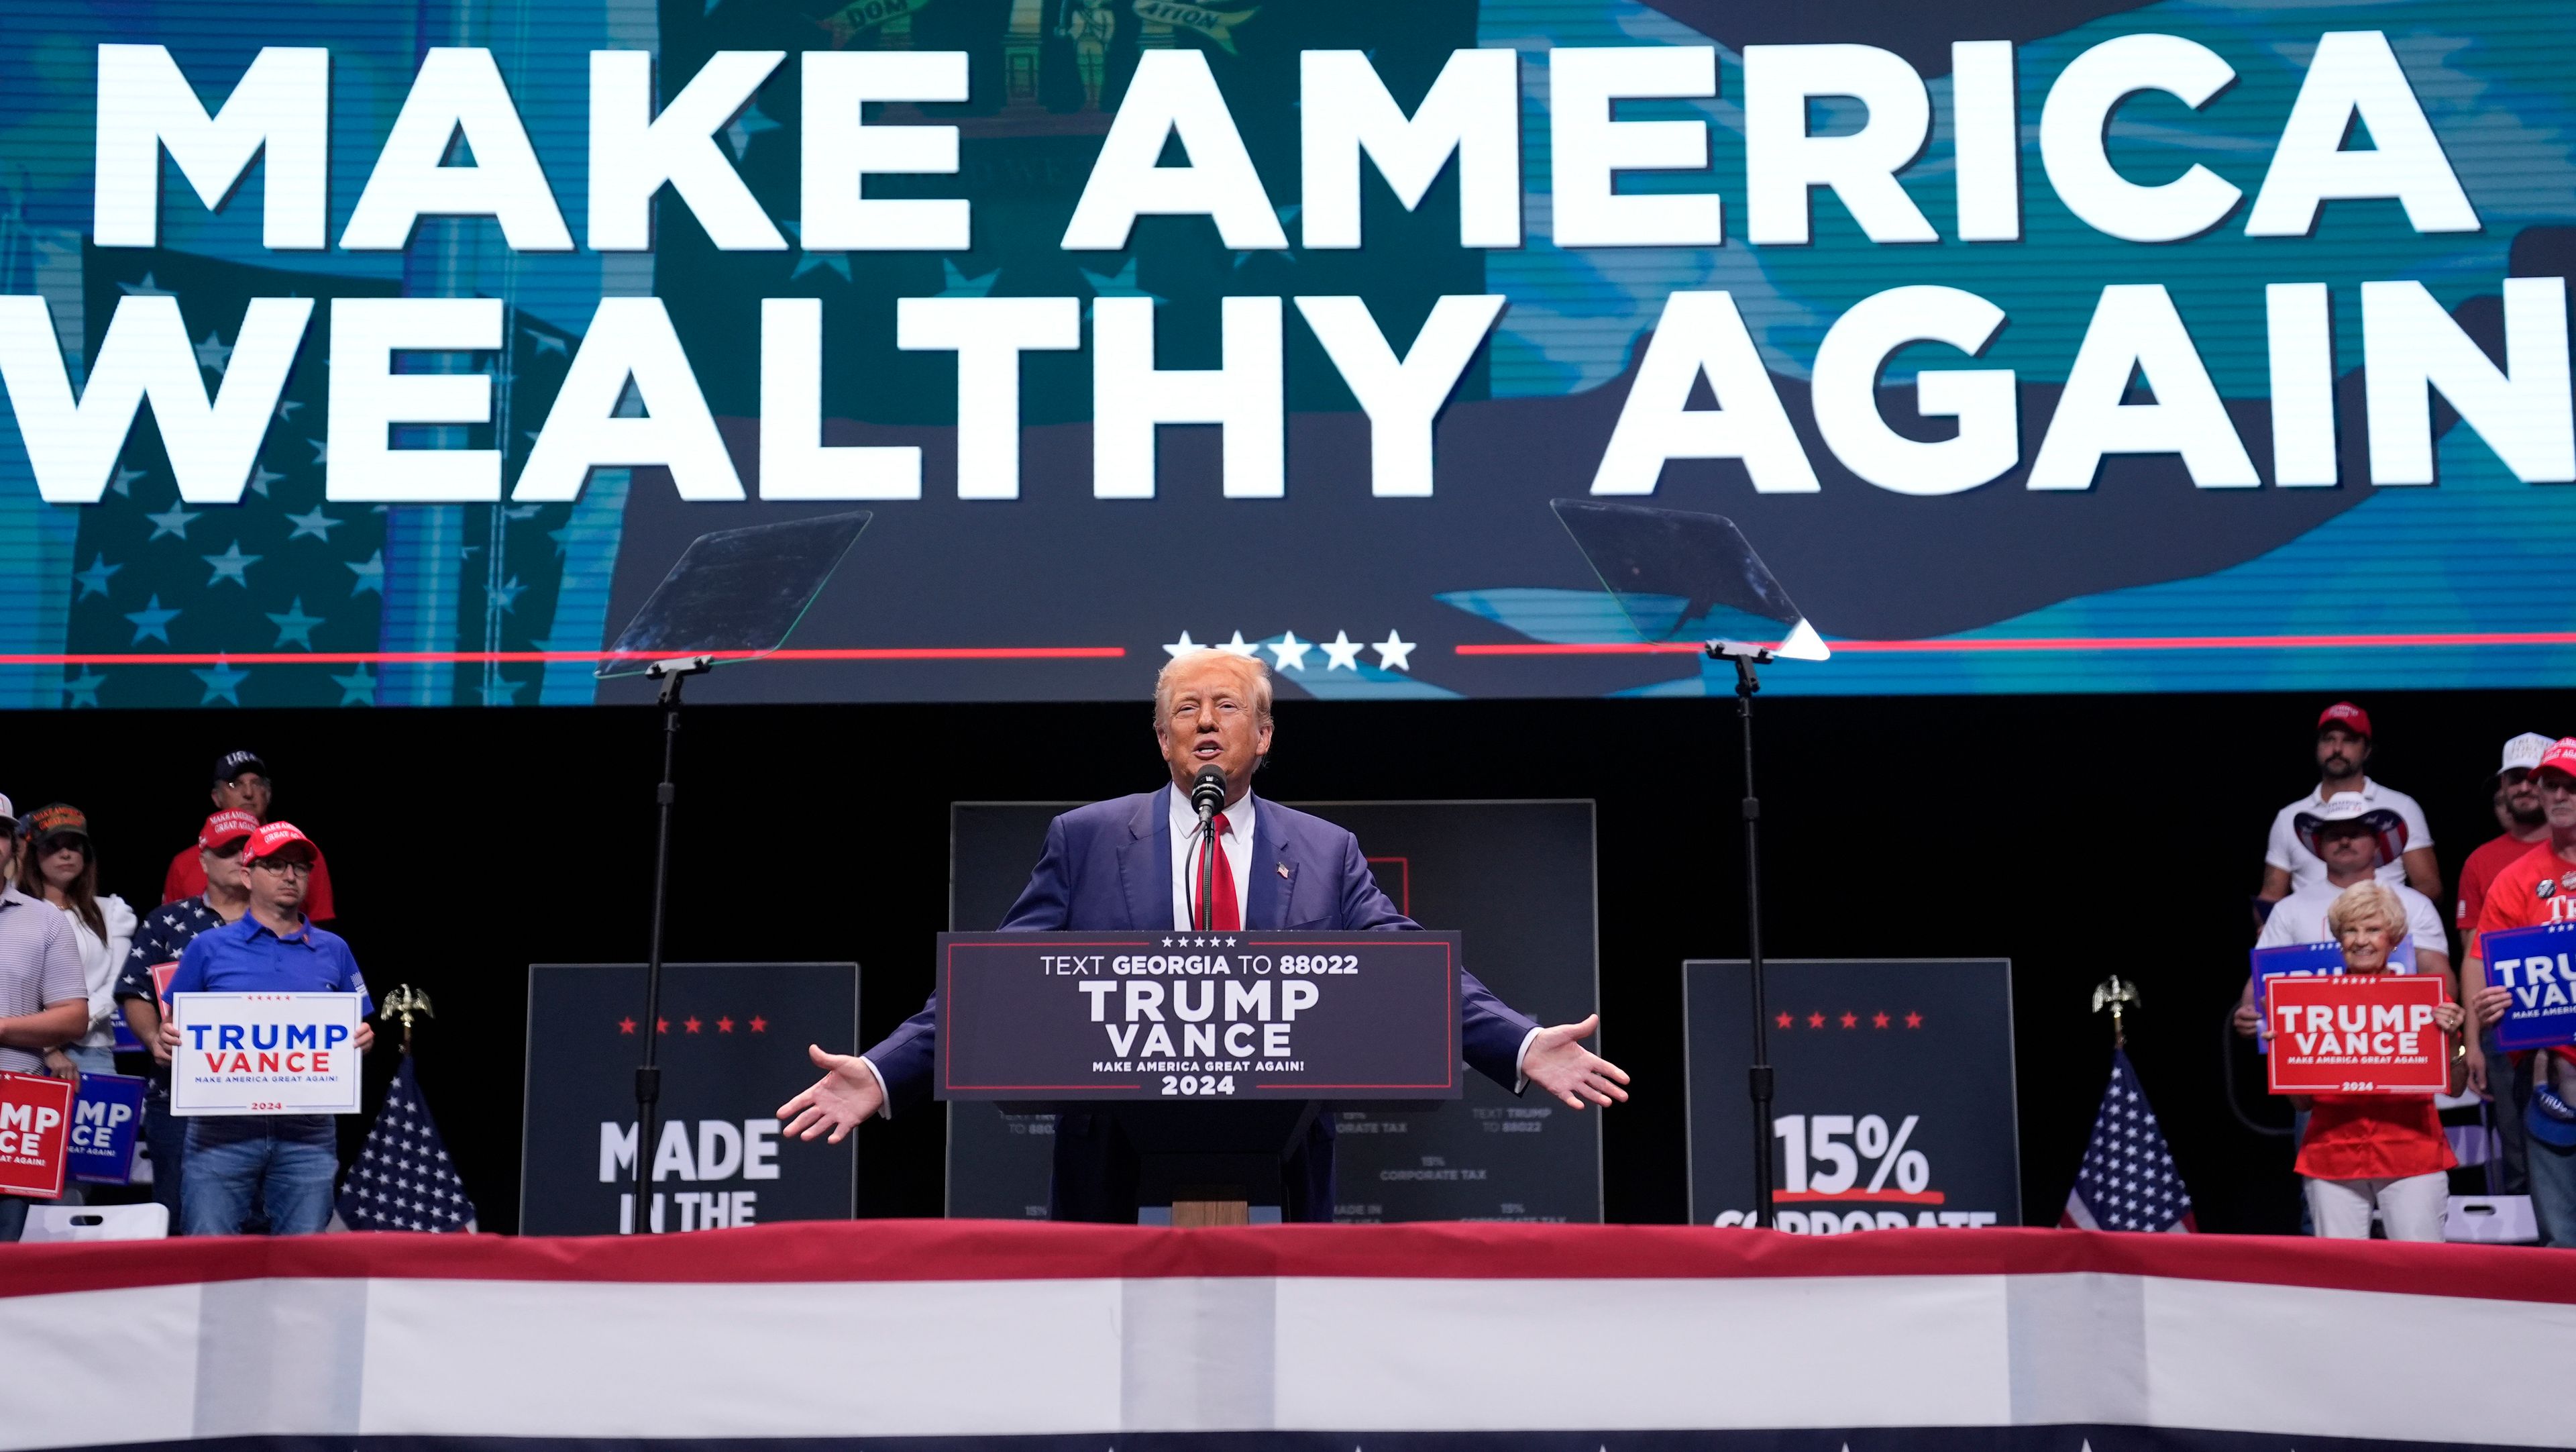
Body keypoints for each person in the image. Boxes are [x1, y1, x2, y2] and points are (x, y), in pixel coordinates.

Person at [779, 648, 1629, 1221]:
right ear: (1162, 737)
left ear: (1263, 735)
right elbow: (1001, 983)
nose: (1206, 722)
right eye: (1186, 709)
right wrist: (886, 1070)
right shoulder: (1088, 837)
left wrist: (1519, 1045)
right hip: (1110, 1157)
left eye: (1228, 706)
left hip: (1281, 1156)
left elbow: (1409, 969)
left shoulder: (1326, 853)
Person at [159, 821, 374, 1237]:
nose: (291, 876)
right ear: (247, 874)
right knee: (210, 1250)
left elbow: (355, 1026)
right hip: (222, 1128)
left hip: (307, 1130)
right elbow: (173, 1025)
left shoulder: (335, 949)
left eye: (300, 867)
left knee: (304, 1257)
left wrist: (361, 1039)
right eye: (276, 865)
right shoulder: (208, 947)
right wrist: (166, 1038)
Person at [2279, 882, 2467, 1241]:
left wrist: (2455, 1040)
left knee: (2420, 1274)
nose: (2361, 940)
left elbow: (2457, 1089)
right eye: (2350, 930)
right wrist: (2286, 1058)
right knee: (2341, 1278)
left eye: (2373, 929)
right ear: (2339, 938)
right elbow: (2303, 1102)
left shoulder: (2426, 1002)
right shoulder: (2310, 1007)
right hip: (2331, 1155)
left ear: (2393, 939)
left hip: (2412, 1154)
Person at [117, 809, 258, 1227]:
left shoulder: (284, 925)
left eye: (245, 851)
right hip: (179, 1097)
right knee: (178, 1216)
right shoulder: (168, 921)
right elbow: (137, 993)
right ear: (203, 860)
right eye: (226, 851)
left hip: (263, 1100)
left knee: (257, 1222)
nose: (237, 859)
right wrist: (152, 1036)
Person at [2466, 737, 2576, 1248]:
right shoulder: (2516, 879)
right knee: (2560, 1235)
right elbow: (2483, 964)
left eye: (2571, 786)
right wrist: (2485, 1010)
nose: (2558, 795)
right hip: (2549, 1073)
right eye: (2550, 784)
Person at [2234, 794, 2452, 1034]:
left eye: (2356, 834)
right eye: (2334, 836)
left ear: (2378, 844)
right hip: (2312, 1051)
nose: (2345, 841)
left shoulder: (2415, 904)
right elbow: (2261, 980)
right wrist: (2249, 1012)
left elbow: (2437, 976)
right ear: (2320, 846)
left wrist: (2444, 1017)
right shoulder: (2288, 909)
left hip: (2396, 1044)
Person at [2459, 732, 2554, 1195]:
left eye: (2534, 778)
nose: (2524, 788)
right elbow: (2473, 956)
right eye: (2514, 778)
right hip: (2508, 1027)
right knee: (2521, 1158)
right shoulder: (2483, 862)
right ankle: (2534, 1265)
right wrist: (2470, 1042)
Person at [0, 793, 91, 1241]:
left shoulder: (45, 921)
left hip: (14, 1116)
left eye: (0, 835)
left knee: (6, 1261)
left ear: (14, 846)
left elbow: (73, 1019)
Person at [2259, 703, 2439, 905]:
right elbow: (2271, 896)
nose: (2337, 749)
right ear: (2317, 745)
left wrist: (2381, 921)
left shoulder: (2401, 807)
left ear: (2367, 749)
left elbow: (2429, 886)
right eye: (2329, 739)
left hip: (2383, 929)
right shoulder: (2289, 817)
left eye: (2349, 740)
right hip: (2312, 934)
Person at [16, 805, 138, 1082]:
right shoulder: (14, 912)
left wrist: (66, 1027)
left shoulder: (110, 912)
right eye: (53, 846)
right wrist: (47, 1046)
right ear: (34, 854)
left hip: (92, 1048)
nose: (66, 854)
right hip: (23, 1048)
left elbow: (115, 983)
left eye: (75, 845)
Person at [163, 751, 336, 923]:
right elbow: (170, 927)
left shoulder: (301, 855)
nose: (248, 793)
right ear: (216, 797)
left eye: (256, 783)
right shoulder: (183, 864)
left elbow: (321, 932)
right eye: (235, 784)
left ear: (268, 793)